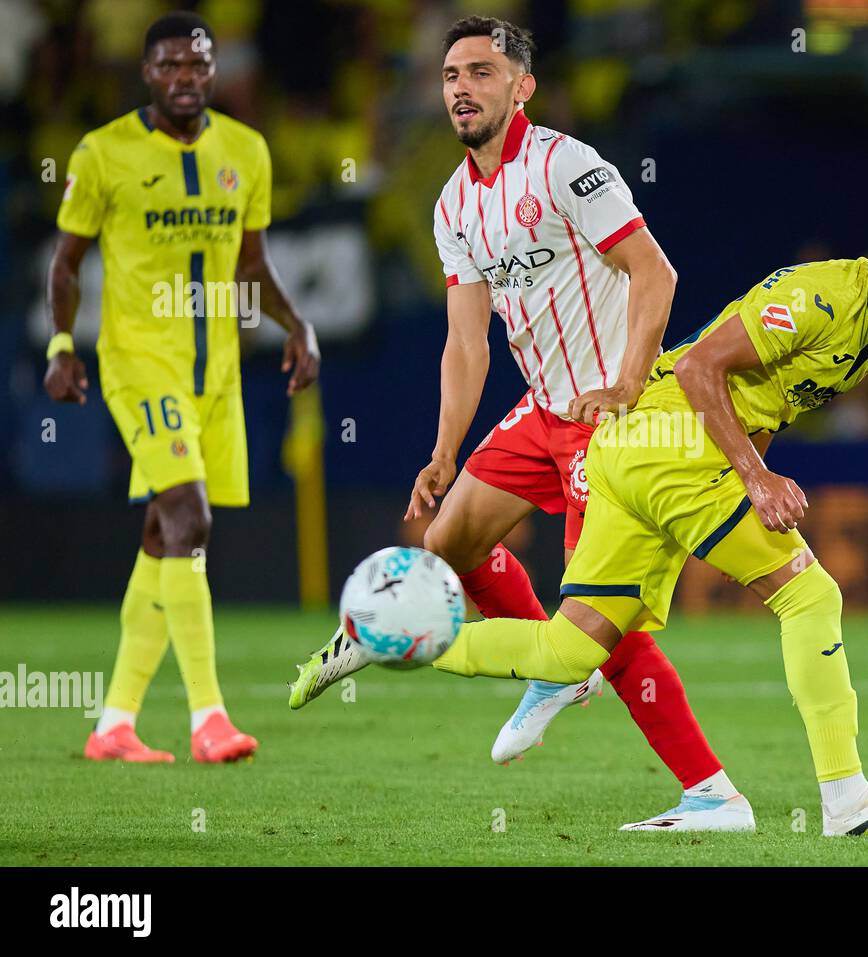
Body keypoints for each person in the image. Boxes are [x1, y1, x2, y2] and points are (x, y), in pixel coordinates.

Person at [288, 15, 752, 832]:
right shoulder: (452, 205)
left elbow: (657, 271)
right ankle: (557, 665)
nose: (461, 87)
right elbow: (465, 342)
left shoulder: (566, 164)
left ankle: (712, 792)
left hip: (615, 421)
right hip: (542, 412)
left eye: (480, 71)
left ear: (521, 86)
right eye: (449, 75)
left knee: (603, 617)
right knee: (448, 543)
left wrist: (627, 383)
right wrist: (442, 450)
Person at [422, 185, 868, 836]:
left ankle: (399, 635)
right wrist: (753, 479)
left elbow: (773, 403)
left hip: (638, 450)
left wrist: (745, 497)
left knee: (570, 647)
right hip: (668, 439)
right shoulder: (820, 296)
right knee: (810, 597)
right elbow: (699, 367)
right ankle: (847, 799)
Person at [45, 11, 319, 763]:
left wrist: (298, 326)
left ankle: (113, 724)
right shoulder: (103, 153)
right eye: (168, 65)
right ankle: (209, 717)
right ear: (146, 73)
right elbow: (66, 264)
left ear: (214, 69)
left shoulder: (247, 150)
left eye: (196, 64)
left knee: (164, 536)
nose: (184, 78)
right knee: (189, 519)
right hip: (139, 361)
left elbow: (252, 266)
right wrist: (63, 343)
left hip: (216, 370)